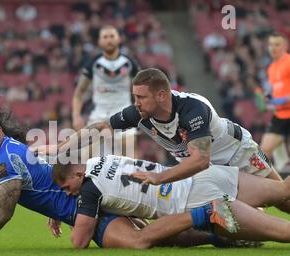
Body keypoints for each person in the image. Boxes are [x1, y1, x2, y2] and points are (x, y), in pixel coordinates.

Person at [0, 106, 244, 250]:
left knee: (141, 242)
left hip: (90, 209)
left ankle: (207, 214)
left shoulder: (8, 158)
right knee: (163, 241)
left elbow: (4, 211)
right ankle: (220, 236)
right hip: (86, 203)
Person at [46, 67, 290, 213]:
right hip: (209, 171)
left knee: (281, 198)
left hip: (238, 154)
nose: (136, 103)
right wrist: (66, 146)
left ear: (162, 95)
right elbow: (101, 127)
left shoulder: (193, 109)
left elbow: (200, 160)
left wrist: (159, 177)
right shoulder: (138, 114)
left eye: (141, 97)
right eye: (135, 96)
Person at [52, 154, 290, 248]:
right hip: (201, 175)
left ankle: (227, 232)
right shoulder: (99, 158)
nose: (69, 194)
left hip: (195, 199)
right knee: (284, 188)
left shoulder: (90, 188)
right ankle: (233, 235)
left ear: (78, 175)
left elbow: (80, 241)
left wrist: (67, 212)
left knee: (283, 231)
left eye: (67, 188)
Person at [72, 25, 140, 156]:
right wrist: (76, 116)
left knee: (130, 156)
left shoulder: (130, 63)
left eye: (112, 36)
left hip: (123, 112)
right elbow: (79, 92)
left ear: (119, 39)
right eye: (105, 37)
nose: (109, 40)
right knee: (87, 157)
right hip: (99, 113)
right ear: (99, 41)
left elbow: (144, 88)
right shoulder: (93, 63)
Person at [260, 33, 290, 169]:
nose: (273, 48)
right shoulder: (271, 68)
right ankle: (275, 186)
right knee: (264, 150)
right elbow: (274, 90)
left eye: (277, 44)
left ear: (285, 46)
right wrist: (268, 99)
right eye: (271, 45)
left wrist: (285, 99)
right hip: (280, 115)